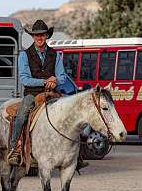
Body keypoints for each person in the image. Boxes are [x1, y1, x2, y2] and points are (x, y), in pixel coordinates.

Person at [9, 19, 88, 169]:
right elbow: (25, 79)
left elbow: (63, 77)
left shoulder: (55, 54)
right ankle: (15, 148)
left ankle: (77, 153)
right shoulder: (24, 55)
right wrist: (45, 81)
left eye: (42, 35)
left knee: (72, 113)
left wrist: (55, 80)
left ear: (47, 36)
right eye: (36, 35)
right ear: (32, 37)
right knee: (22, 114)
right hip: (32, 94)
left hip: (52, 93)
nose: (39, 38)